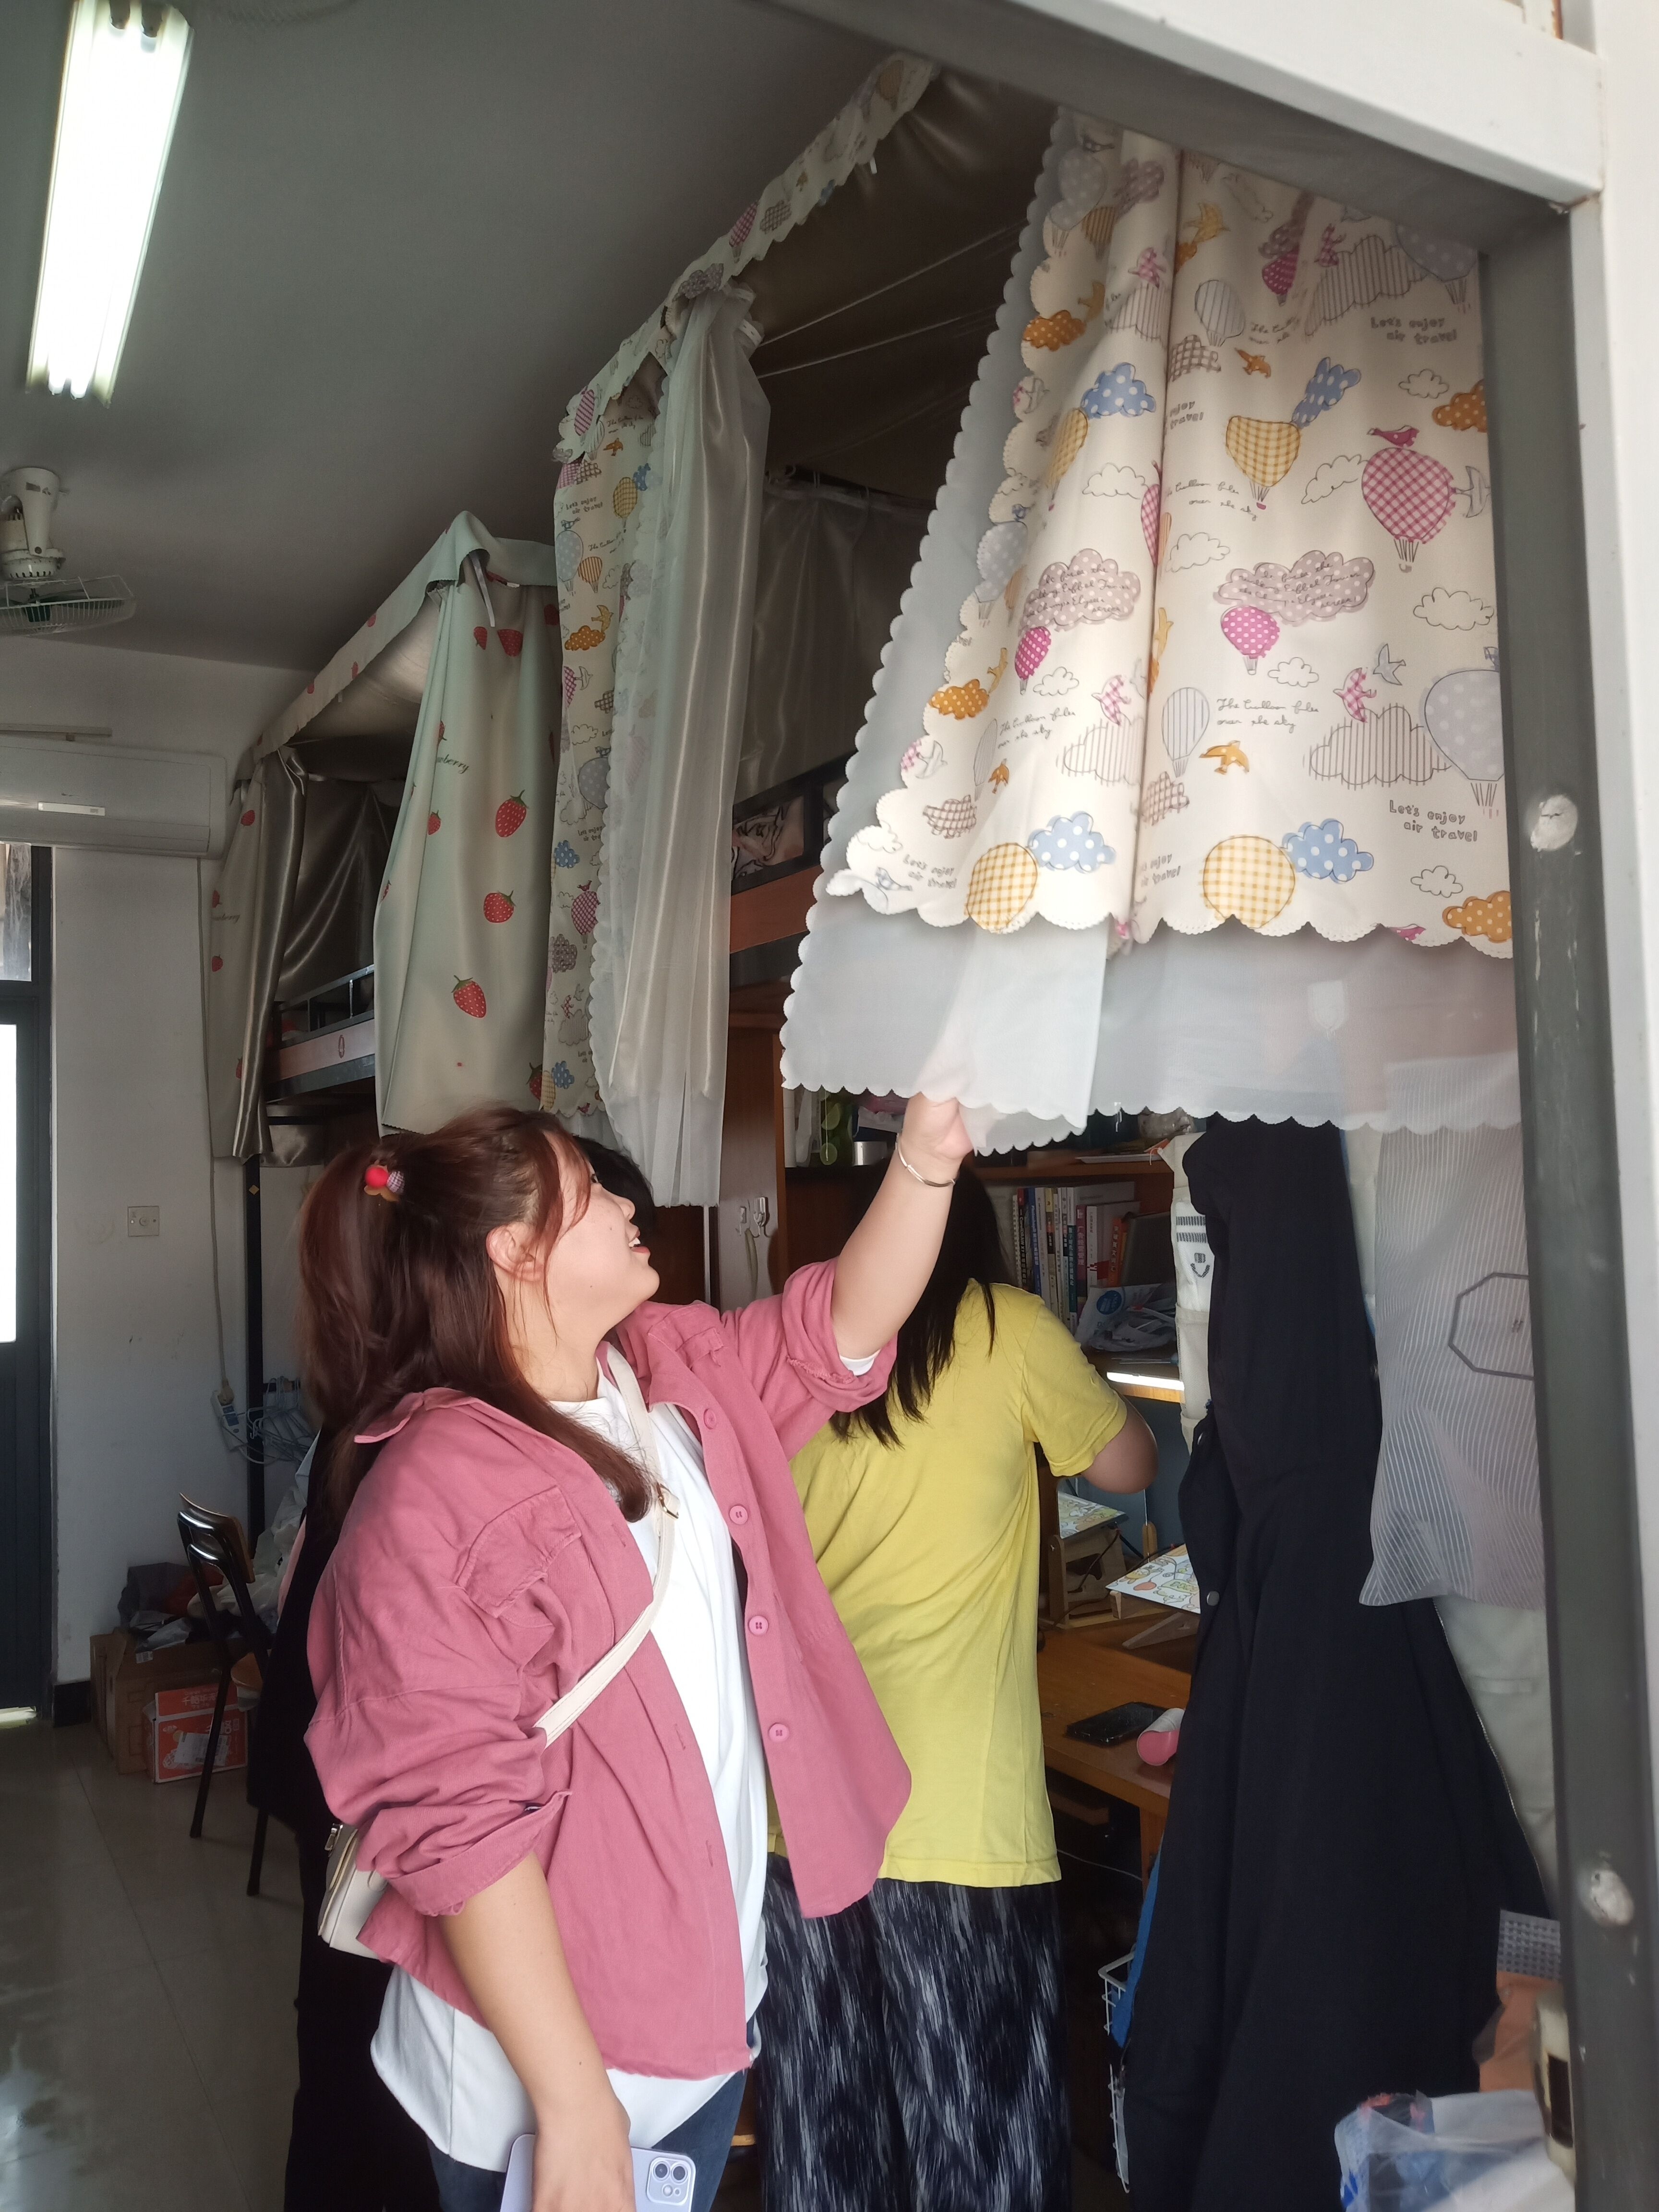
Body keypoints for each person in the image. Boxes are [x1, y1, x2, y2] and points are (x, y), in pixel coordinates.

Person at [300, 1095, 971, 2212]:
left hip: (698, 2019)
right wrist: (575, 2108)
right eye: (588, 1189)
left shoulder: (665, 1375)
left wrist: (926, 1158)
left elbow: (841, 1328)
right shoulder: (432, 1497)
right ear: (514, 1251)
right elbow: (459, 1828)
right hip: (541, 2082)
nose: (624, 1202)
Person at [758, 1166, 1159, 2212]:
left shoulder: (790, 1347)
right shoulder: (1008, 1327)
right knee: (981, 2154)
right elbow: (1127, 1468)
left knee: (828, 2149)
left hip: (802, 1828)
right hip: (954, 1823)